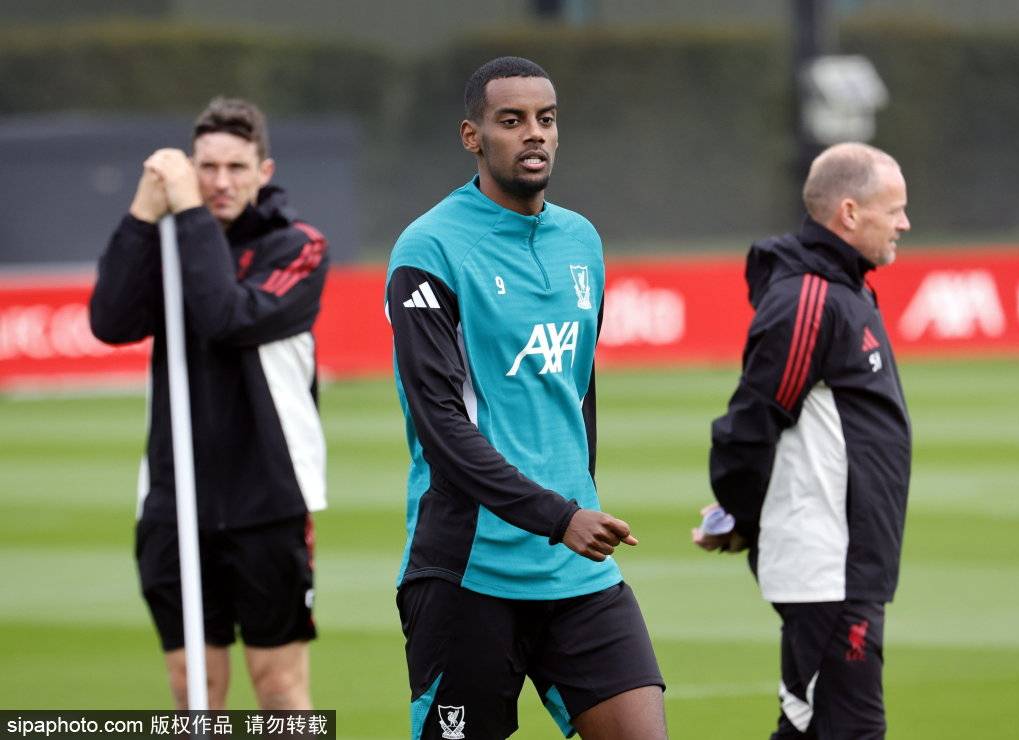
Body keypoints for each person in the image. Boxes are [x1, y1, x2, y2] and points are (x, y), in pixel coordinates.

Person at [385, 57, 667, 739]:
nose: (533, 133)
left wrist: (576, 503)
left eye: (546, 119)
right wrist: (557, 514)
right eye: (511, 120)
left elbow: (577, 392)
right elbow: (442, 426)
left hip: (577, 569)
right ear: (472, 136)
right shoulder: (429, 249)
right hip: (470, 571)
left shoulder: (582, 241)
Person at [89, 97, 329, 710]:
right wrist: (144, 212)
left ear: (263, 172)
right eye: (207, 167)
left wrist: (188, 211)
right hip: (175, 497)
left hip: (268, 497)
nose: (221, 182)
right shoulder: (169, 243)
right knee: (193, 690)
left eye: (236, 167)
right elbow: (110, 321)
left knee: (279, 689)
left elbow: (226, 315)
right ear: (190, 168)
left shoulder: (297, 247)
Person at [693, 142, 912, 739]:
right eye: (894, 210)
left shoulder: (847, 289)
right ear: (849, 213)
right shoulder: (809, 301)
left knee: (811, 729)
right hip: (827, 568)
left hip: (847, 565)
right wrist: (740, 514)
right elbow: (749, 426)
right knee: (849, 730)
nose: (904, 224)